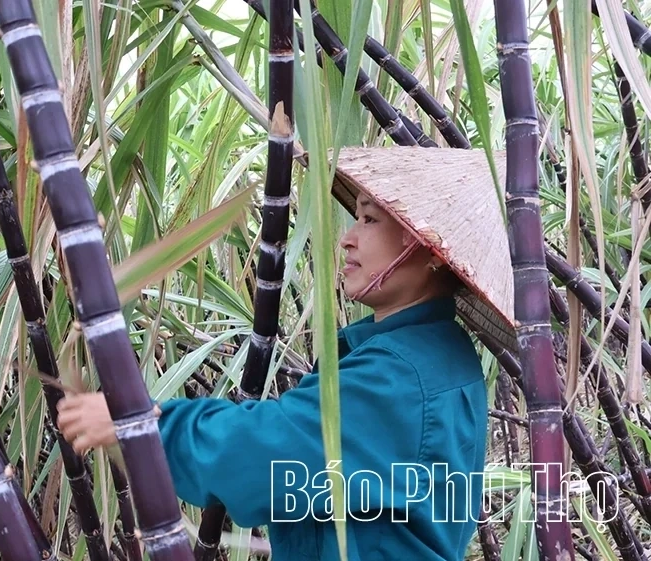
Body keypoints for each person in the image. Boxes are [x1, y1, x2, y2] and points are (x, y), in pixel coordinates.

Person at [56, 147, 516, 560]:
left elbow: (268, 454)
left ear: (429, 249)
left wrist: (141, 429)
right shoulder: (434, 356)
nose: (347, 238)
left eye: (370, 220)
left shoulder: (401, 376)